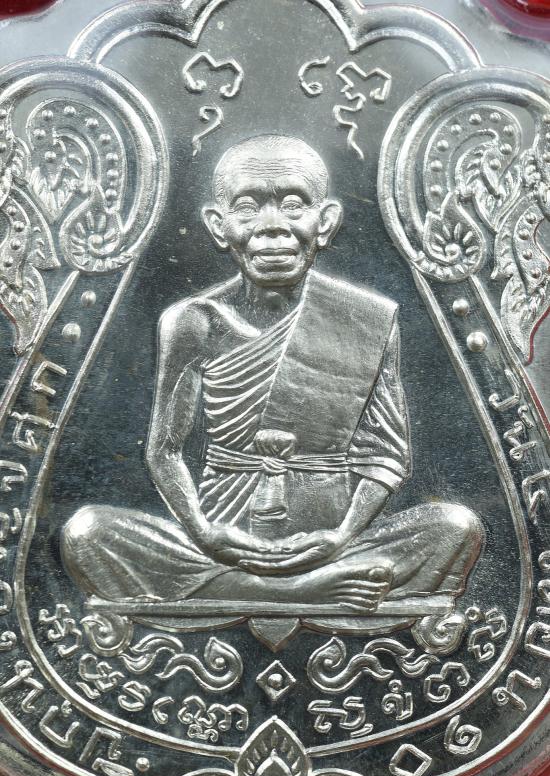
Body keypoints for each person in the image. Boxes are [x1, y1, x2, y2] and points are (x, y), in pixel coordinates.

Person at [61, 135, 483, 624]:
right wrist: (203, 532)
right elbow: (165, 450)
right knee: (89, 533)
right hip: (221, 537)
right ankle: (306, 591)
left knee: (454, 528)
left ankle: (259, 588)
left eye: (293, 205)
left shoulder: (367, 317)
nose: (272, 226)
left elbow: (386, 454)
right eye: (247, 207)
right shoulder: (194, 321)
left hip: (332, 538)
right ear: (218, 225)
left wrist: (342, 536)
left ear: (325, 222)